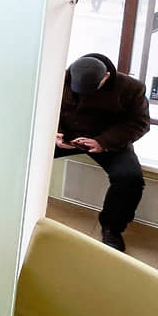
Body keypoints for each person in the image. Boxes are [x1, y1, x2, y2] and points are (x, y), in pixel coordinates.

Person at [56, 53, 149, 251]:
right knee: (23, 153)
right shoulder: (59, 78)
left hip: (108, 140)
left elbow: (139, 123)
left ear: (106, 77)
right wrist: (53, 134)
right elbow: (42, 108)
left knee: (130, 178)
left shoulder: (132, 88)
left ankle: (112, 228)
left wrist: (103, 142)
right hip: (65, 136)